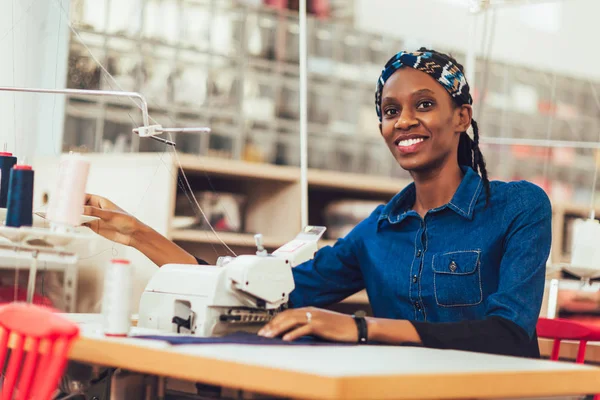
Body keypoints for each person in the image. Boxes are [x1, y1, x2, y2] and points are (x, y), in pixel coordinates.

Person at [83, 48, 552, 358]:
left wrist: (363, 328)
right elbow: (254, 295)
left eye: (424, 105)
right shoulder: (379, 231)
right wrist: (137, 234)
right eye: (391, 111)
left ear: (461, 117)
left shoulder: (519, 207)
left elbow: (508, 334)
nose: (404, 120)